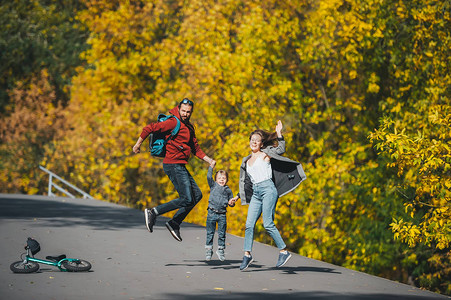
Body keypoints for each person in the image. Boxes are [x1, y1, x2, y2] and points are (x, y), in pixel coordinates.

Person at [132, 98, 216, 242]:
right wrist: (138, 144)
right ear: (179, 109)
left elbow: (195, 148)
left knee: (197, 195)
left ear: (191, 112)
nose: (185, 114)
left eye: (188, 112)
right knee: (186, 198)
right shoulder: (173, 122)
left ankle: (174, 222)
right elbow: (149, 128)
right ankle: (153, 212)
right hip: (172, 164)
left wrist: (208, 160)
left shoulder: (189, 127)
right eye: (183, 111)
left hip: (180, 165)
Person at [237, 120, 306, 270]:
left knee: (267, 223)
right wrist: (237, 196)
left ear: (261, 144)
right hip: (256, 192)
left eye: (257, 140)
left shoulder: (266, 154)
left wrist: (279, 133)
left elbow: (281, 149)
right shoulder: (246, 161)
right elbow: (247, 182)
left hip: (268, 189)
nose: (254, 142)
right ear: (249, 142)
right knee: (249, 224)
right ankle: (247, 255)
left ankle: (283, 251)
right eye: (252, 139)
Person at [205, 162, 238, 261]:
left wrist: (232, 203)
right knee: (210, 232)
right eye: (219, 178)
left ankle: (220, 250)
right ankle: (208, 250)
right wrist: (211, 167)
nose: (221, 180)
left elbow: (230, 202)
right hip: (211, 212)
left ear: (227, 180)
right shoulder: (213, 185)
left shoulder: (228, 190)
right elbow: (208, 176)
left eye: (223, 178)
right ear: (216, 179)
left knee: (222, 233)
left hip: (222, 214)